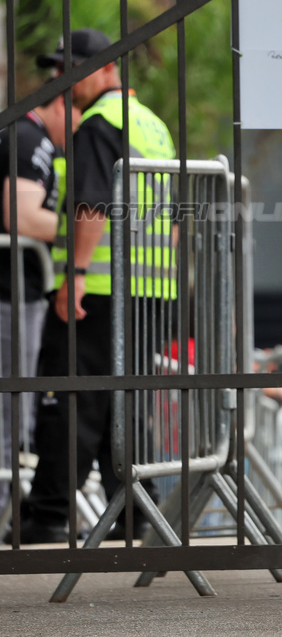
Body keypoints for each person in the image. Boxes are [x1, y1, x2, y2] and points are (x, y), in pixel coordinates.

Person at [5, 28, 176, 545]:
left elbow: (92, 205)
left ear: (105, 68)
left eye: (71, 67)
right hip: (150, 292)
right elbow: (169, 219)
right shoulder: (151, 124)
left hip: (100, 290)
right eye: (58, 68)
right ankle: (136, 511)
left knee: (70, 397)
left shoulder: (100, 123)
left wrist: (74, 275)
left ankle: (48, 515)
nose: (62, 78)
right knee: (123, 402)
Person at [0, 91, 75, 517]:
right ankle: (4, 512)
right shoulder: (30, 138)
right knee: (11, 408)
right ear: (63, 104)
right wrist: (88, 228)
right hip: (10, 292)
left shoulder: (29, 136)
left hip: (18, 290)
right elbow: (23, 216)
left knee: (15, 407)